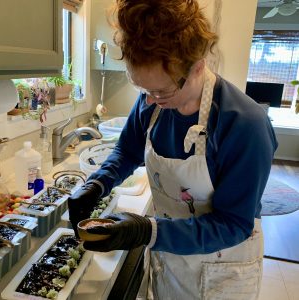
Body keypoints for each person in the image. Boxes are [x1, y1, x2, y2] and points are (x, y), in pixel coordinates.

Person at [68, 0, 278, 299]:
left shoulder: (244, 125)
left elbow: (234, 224)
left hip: (222, 268)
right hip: (169, 256)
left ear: (197, 67)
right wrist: (98, 183)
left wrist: (146, 231)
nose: (150, 101)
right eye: (143, 89)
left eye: (161, 91)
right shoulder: (151, 104)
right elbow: (127, 151)